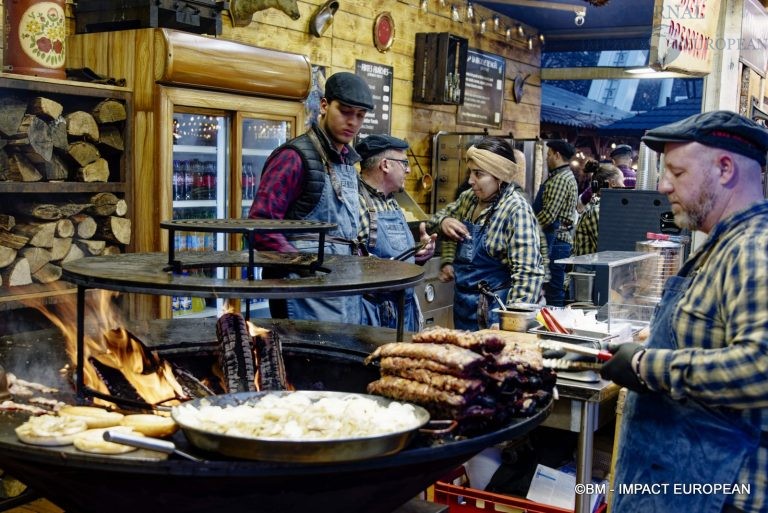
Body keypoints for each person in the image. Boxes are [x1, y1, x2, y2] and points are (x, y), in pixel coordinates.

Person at [600, 110, 768, 513]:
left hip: (720, 495)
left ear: (725, 169)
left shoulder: (753, 248)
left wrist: (645, 366)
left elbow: (762, 365)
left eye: (676, 172)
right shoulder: (724, 242)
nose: (663, 186)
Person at [247, 71, 373, 323]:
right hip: (302, 290)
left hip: (342, 286)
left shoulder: (347, 162)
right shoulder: (294, 158)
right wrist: (304, 264)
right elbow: (260, 226)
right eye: (346, 112)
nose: (353, 122)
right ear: (324, 106)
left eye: (360, 115)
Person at [427, 136, 544, 331]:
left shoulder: (515, 210)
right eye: (470, 172)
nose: (471, 181)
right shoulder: (469, 199)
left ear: (499, 175)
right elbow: (432, 222)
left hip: (495, 312)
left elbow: (528, 274)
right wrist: (444, 222)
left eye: (478, 174)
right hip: (463, 304)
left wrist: (511, 323)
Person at [354, 134, 437, 332]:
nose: (408, 170)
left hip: (404, 305)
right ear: (385, 165)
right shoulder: (356, 203)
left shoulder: (391, 201)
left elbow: (401, 256)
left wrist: (420, 255)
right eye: (404, 163)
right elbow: (350, 262)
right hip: (375, 311)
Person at [534, 140, 578, 306]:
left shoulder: (560, 179)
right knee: (553, 289)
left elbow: (548, 215)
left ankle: (554, 328)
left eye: (549, 154)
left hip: (556, 242)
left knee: (553, 291)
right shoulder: (563, 176)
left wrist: (526, 227)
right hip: (557, 241)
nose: (547, 158)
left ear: (557, 155)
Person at [572, 161, 625, 256]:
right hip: (588, 269)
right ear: (612, 183)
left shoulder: (603, 207)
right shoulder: (598, 210)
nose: (624, 186)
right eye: (622, 181)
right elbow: (605, 248)